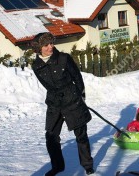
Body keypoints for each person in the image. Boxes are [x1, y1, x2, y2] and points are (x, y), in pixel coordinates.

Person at [31, 32, 94, 176]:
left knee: (81, 134)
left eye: (51, 43)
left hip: (72, 99)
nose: (50, 47)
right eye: (46, 45)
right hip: (54, 103)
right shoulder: (36, 66)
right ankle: (57, 166)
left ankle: (87, 165)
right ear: (38, 48)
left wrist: (80, 96)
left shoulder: (64, 58)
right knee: (51, 136)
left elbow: (77, 78)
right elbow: (46, 85)